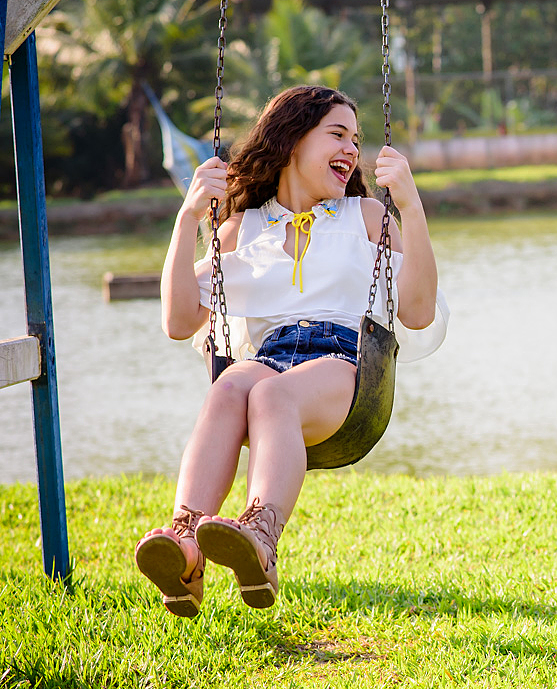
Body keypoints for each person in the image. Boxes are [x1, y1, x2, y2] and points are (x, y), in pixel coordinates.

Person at [134, 85, 447, 617]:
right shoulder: (242, 228)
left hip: (343, 361)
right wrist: (187, 220)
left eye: (357, 138)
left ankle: (260, 535)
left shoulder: (365, 216)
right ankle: (186, 545)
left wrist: (411, 207)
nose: (352, 149)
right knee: (228, 388)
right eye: (337, 134)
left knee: (272, 395)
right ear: (293, 140)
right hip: (269, 356)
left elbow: (417, 311)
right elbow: (178, 321)